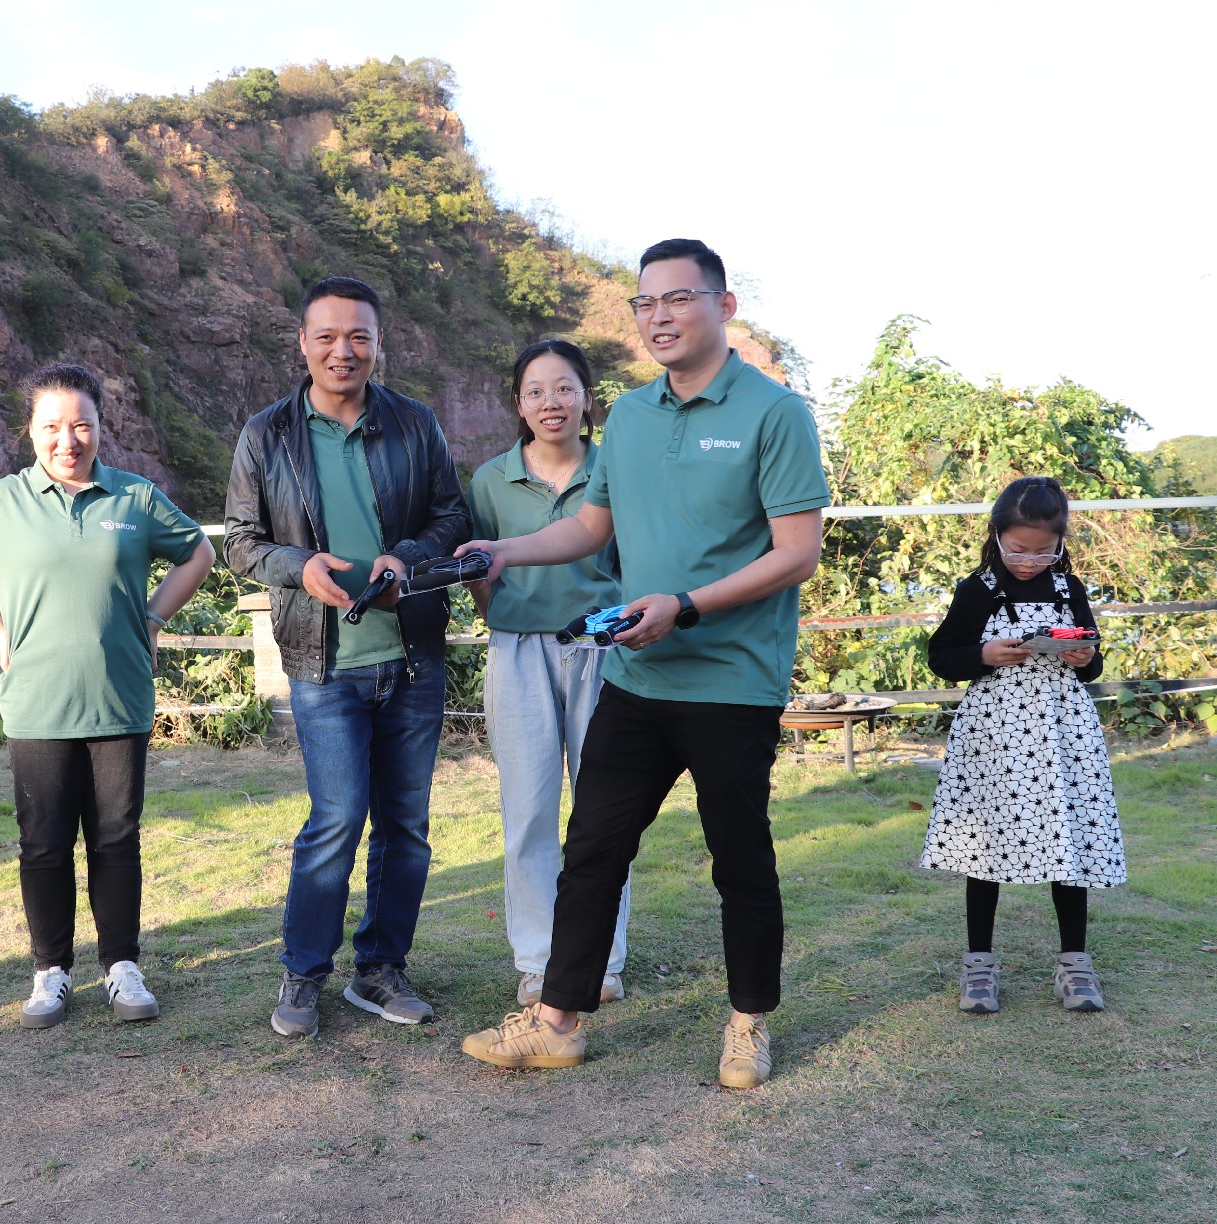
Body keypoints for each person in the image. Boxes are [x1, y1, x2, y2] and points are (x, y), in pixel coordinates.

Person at [457, 238, 828, 1088]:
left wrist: (684, 606)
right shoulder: (628, 417)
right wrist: (506, 550)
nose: (659, 317)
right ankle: (557, 1020)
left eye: (678, 299)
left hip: (732, 681)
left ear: (724, 306)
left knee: (739, 860)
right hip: (636, 677)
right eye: (645, 303)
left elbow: (796, 553)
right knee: (593, 848)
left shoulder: (775, 414)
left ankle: (748, 1025)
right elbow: (591, 527)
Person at [0, 363, 213, 1030]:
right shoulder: (2, 502)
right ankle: (50, 972)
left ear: (101, 427)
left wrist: (154, 617)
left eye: (81, 425)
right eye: (51, 426)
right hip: (37, 701)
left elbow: (197, 553)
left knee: (116, 839)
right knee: (44, 842)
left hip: (119, 696)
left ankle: (121, 966)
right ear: (30, 431)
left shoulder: (134, 498)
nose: (67, 440)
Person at [224, 275, 471, 1039]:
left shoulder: (414, 422)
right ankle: (303, 972)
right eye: (327, 336)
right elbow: (240, 543)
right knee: (335, 820)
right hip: (323, 663)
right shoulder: (266, 434)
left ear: (378, 343)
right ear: (302, 343)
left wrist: (408, 557)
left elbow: (451, 514)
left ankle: (380, 969)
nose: (344, 350)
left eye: (358, 336)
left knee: (407, 825)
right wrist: (298, 566)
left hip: (413, 657)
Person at [919, 476, 1123, 1013]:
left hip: (1062, 731)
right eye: (1017, 549)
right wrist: (983, 655)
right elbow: (941, 657)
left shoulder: (1069, 589)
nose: (1030, 561)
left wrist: (1085, 657)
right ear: (996, 536)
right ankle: (979, 967)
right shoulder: (977, 590)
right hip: (995, 733)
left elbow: (1092, 664)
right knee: (986, 844)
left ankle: (1074, 966)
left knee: (1068, 838)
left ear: (1060, 543)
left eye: (1043, 551)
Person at [467, 339, 628, 1008]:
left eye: (564, 388)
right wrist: (508, 624)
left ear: (587, 398)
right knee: (529, 809)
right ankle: (537, 961)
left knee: (605, 811)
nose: (551, 402)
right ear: (518, 403)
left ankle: (602, 960)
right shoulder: (490, 481)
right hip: (519, 652)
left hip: (603, 652)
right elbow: (480, 573)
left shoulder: (617, 467)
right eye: (535, 391)